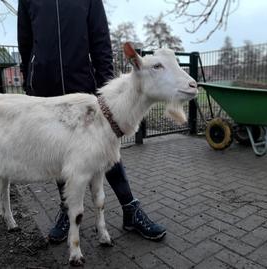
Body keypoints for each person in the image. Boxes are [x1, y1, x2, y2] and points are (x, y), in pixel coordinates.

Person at [17, 0, 166, 242]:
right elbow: (25, 41)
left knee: (107, 149)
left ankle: (130, 208)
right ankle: (67, 211)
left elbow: (100, 41)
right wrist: (29, 80)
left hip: (83, 85)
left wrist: (106, 86)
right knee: (59, 153)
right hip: (45, 88)